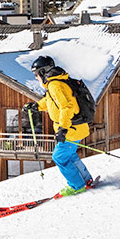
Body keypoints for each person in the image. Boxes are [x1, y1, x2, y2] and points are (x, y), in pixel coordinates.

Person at [25, 55, 92, 196]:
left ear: (43, 72)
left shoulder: (55, 85)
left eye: (36, 74)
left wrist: (63, 128)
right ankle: (86, 180)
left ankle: (76, 186)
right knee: (70, 155)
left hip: (71, 130)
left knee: (59, 157)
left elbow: (67, 107)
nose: (36, 77)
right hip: (76, 128)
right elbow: (52, 102)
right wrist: (37, 106)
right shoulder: (55, 83)